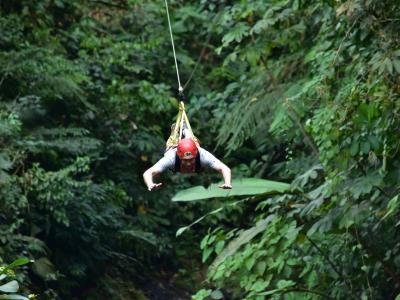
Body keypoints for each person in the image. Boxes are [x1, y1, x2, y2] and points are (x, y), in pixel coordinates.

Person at [143, 127, 232, 191]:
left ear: (196, 154)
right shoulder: (171, 158)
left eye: (191, 160)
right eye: (185, 160)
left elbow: (224, 168)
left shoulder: (203, 155)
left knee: (191, 139)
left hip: (194, 152)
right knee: (172, 145)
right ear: (179, 156)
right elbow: (148, 173)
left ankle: (185, 130)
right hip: (173, 151)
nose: (188, 163)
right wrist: (150, 184)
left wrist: (227, 182)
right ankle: (181, 131)